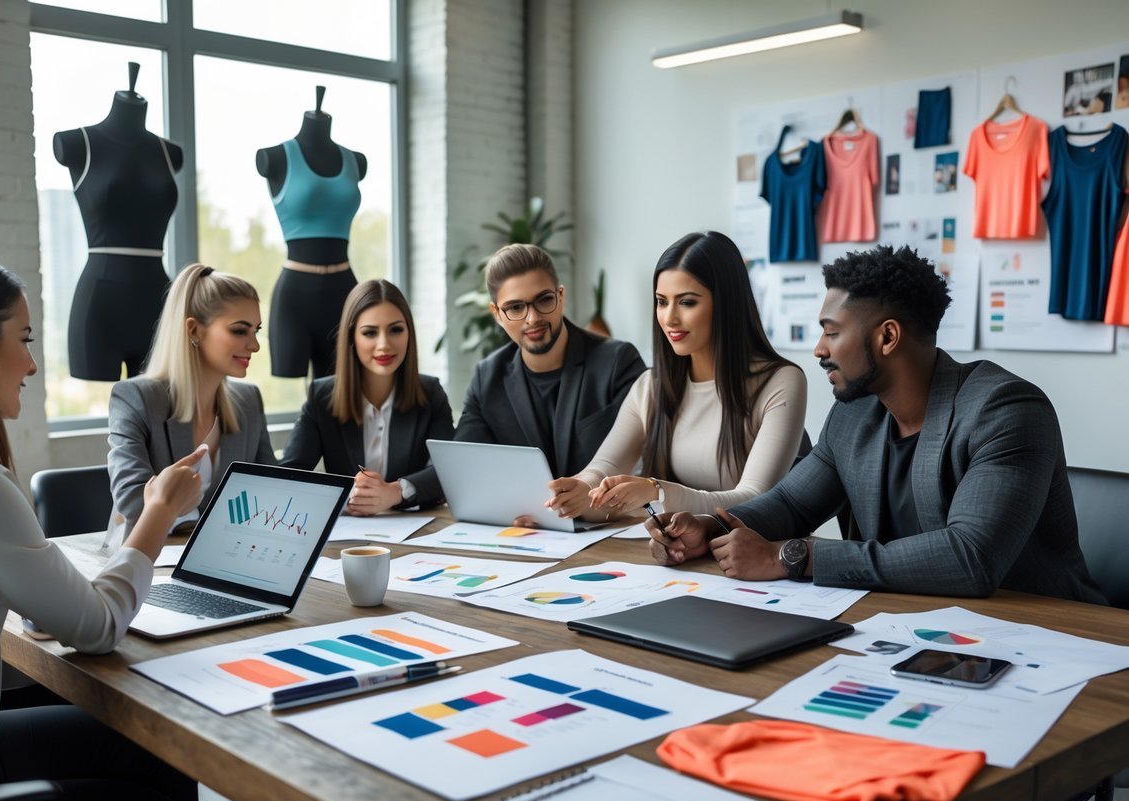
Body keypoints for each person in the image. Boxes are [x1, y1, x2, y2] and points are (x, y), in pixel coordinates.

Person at [0, 254, 204, 801]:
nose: (30, 363)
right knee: (163, 793)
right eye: (22, 339)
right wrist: (158, 512)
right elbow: (97, 629)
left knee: (161, 746)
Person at [647, 245, 1105, 604]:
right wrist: (712, 527)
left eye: (832, 331)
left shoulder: (1005, 410)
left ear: (887, 337)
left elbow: (971, 558)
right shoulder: (856, 412)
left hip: (1046, 633)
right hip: (904, 624)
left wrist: (792, 557)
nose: (819, 349)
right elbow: (790, 503)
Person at [547, 231, 807, 521]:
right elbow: (606, 466)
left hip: (743, 558)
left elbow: (753, 499)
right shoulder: (652, 385)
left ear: (726, 304)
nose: (669, 318)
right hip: (671, 555)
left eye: (687, 302)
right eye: (661, 301)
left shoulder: (782, 382)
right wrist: (579, 489)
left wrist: (657, 492)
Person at [454, 243, 646, 480]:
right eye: (515, 307)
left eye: (544, 300)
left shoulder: (618, 362)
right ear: (497, 315)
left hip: (606, 515)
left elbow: (643, 465)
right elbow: (464, 465)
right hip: (519, 515)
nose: (533, 318)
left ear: (561, 296)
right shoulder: (487, 378)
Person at [108, 263, 276, 532]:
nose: (254, 345)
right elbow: (133, 502)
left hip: (233, 555)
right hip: (154, 559)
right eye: (239, 330)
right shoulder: (136, 398)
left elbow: (274, 491)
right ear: (194, 330)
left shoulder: (248, 401)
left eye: (256, 330)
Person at [53, 62, 182, 382]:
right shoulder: (78, 143)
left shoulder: (170, 153)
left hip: (159, 300)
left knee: (159, 411)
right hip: (100, 302)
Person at [280, 279, 454, 513]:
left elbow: (447, 472)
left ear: (409, 333)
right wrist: (348, 496)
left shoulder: (431, 393)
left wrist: (395, 491)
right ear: (352, 337)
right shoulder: (321, 397)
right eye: (370, 333)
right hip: (345, 535)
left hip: (415, 532)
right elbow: (289, 477)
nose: (384, 345)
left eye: (395, 330)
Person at [257, 85, 366, 380]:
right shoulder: (276, 157)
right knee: (297, 389)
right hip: (295, 293)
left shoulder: (355, 160)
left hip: (345, 290)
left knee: (341, 390)